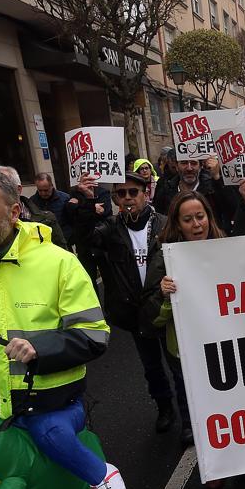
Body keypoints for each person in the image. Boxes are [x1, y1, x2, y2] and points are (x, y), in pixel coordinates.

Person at [0, 167, 127, 489]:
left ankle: (101, 475)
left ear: (14, 212)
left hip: (53, 403)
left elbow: (95, 334)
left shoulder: (59, 263)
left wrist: (39, 349)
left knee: (49, 435)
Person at [91, 171, 176, 436]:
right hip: (136, 313)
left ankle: (189, 413)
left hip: (167, 307)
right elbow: (85, 244)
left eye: (133, 192)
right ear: (115, 198)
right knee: (151, 367)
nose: (127, 198)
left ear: (145, 193)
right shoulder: (109, 229)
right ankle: (165, 407)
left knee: (179, 364)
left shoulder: (165, 225)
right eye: (121, 193)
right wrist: (85, 207)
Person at [143, 191, 227, 450]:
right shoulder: (164, 258)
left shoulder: (228, 249)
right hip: (183, 348)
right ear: (178, 224)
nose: (196, 224)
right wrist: (163, 294)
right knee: (191, 396)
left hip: (222, 342)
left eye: (200, 217)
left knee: (228, 397)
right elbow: (149, 317)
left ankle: (240, 455)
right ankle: (205, 450)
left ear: (209, 218)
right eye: (188, 219)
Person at [63, 174, 111, 284]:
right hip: (84, 243)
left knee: (109, 280)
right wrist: (93, 207)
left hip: (102, 244)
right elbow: (70, 210)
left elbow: (105, 211)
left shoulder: (103, 192)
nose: (88, 181)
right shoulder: (75, 193)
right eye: (85, 178)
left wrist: (81, 205)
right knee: (88, 281)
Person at [29, 172, 72, 240]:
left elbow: (71, 220)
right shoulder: (32, 202)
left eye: (46, 190)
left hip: (64, 239)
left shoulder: (65, 198)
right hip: (44, 240)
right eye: (40, 190)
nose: (43, 193)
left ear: (51, 186)